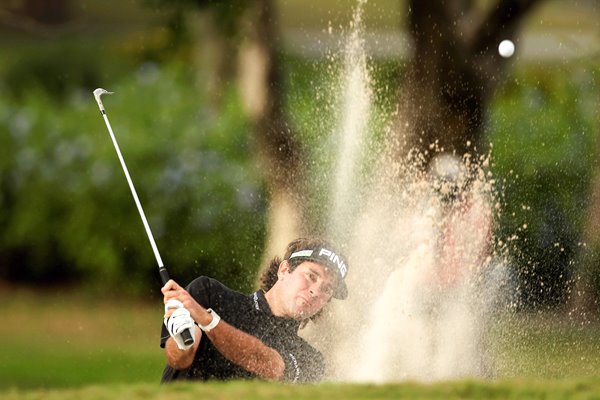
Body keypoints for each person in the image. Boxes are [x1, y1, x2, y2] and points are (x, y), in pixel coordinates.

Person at [159, 237, 349, 383]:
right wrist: (182, 338)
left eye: (326, 289)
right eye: (311, 276)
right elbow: (179, 360)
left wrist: (208, 321)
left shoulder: (311, 360)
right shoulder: (211, 295)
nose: (315, 291)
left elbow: (268, 365)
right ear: (284, 270)